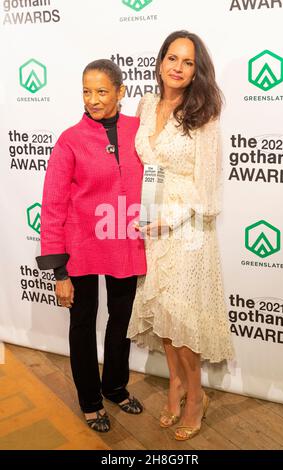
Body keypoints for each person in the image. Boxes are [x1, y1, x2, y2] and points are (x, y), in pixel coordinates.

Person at [128, 31, 234, 441]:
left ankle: (196, 397)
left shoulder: (203, 114)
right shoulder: (146, 103)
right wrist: (146, 215)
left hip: (187, 229)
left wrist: (168, 219)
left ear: (196, 70)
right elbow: (145, 168)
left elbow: (207, 189)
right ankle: (174, 386)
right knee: (166, 318)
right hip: (151, 224)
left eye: (187, 62)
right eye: (172, 58)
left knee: (185, 322)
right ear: (159, 62)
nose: (177, 67)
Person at [36, 59, 146, 433]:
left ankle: (115, 386)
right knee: (82, 324)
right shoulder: (70, 139)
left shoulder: (140, 130)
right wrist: (59, 270)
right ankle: (90, 401)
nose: (93, 99)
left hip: (127, 244)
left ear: (120, 91)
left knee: (122, 321)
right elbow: (52, 205)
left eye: (102, 91)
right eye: (87, 91)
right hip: (80, 246)